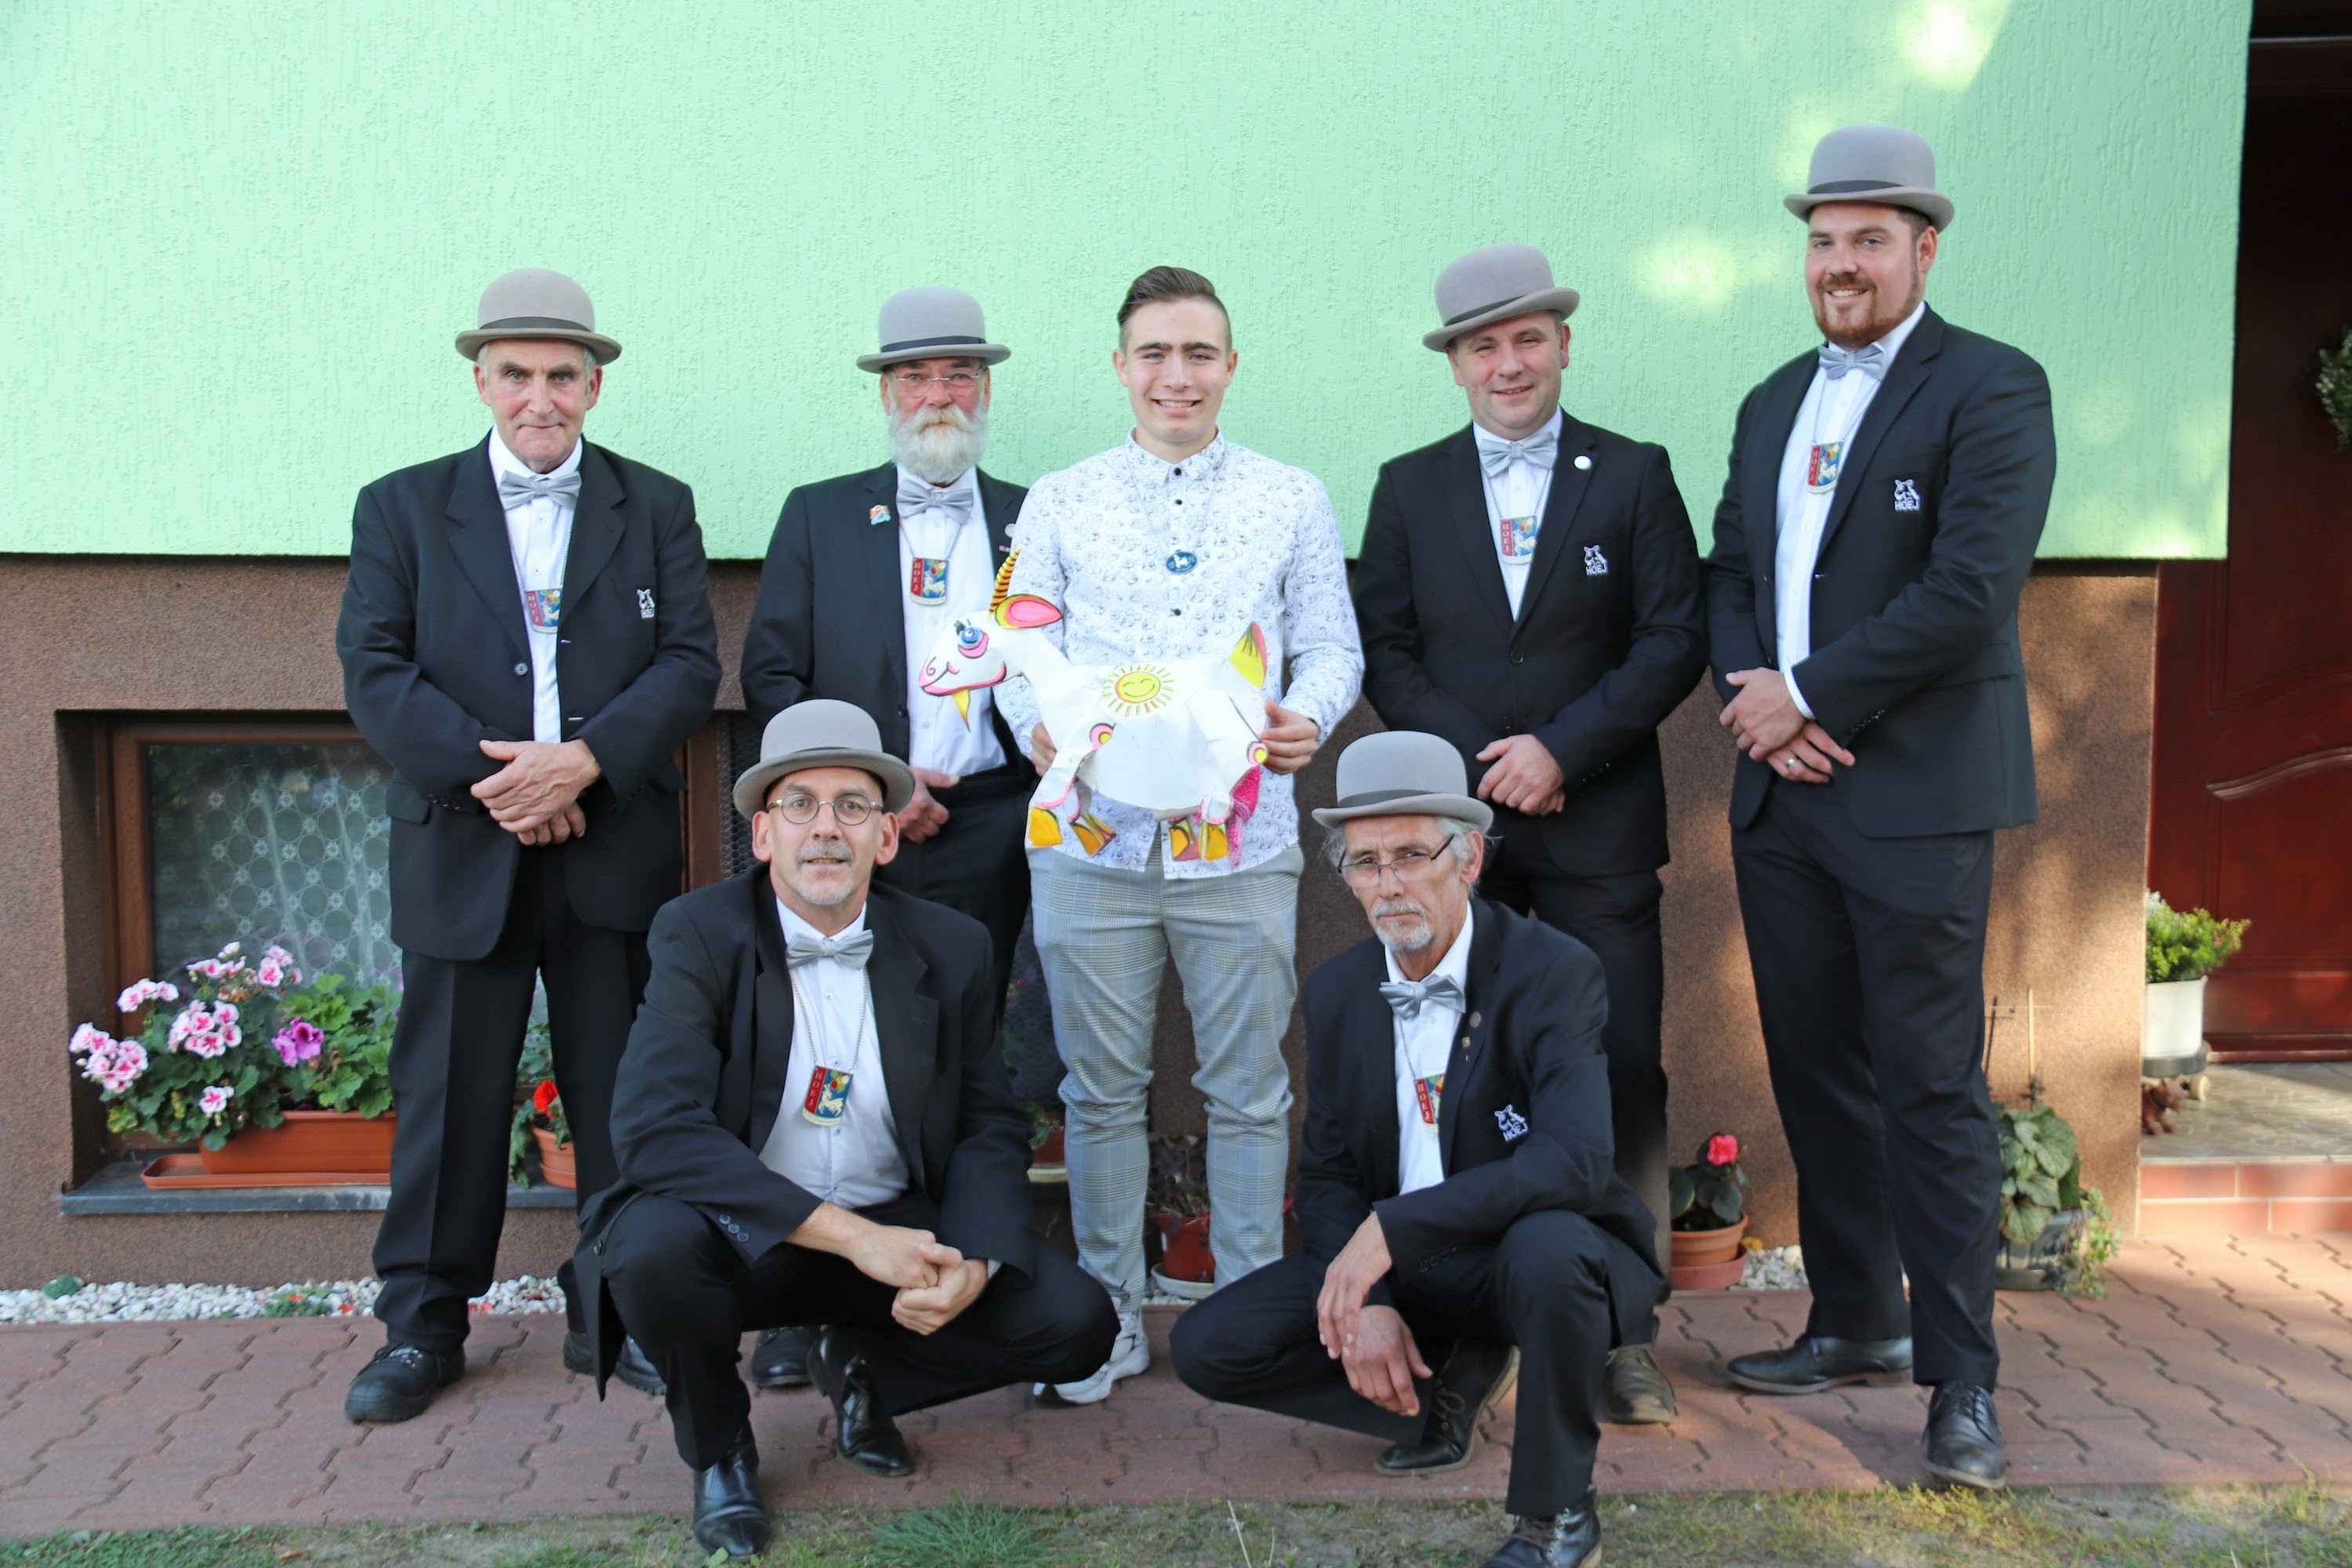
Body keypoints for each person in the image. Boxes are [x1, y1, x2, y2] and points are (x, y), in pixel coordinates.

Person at [1705, 125, 2056, 1490]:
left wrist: (1809, 699)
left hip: (1912, 796)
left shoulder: (1994, 386)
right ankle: (1857, 1317)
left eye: (1868, 239)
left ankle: (1961, 1385)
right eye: (1822, 240)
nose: (1840, 263)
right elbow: (1734, 571)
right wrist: (1757, 702)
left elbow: (1969, 590)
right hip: (1782, 797)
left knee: (1929, 1086)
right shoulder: (1768, 401)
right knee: (1816, 1073)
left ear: (1924, 249)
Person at [572, 700, 1116, 1559]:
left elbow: (986, 1119)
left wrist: (974, 1262)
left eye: (853, 806)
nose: (825, 828)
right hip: (748, 1235)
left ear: (886, 837)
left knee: (1076, 1324)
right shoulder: (699, 934)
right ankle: (720, 1448)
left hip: (894, 1227)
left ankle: (867, 1369)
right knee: (649, 1251)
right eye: (800, 804)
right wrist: (857, 1240)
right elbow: (654, 1128)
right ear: (763, 835)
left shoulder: (954, 945)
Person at [335, 268, 719, 1421]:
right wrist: (507, 782)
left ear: (594, 385)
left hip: (611, 843)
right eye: (516, 374)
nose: (539, 396)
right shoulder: (400, 507)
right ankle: (422, 1323)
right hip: (466, 843)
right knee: (447, 1097)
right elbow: (376, 669)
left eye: (561, 375)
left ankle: (617, 1310)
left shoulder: (656, 505)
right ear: (481, 381)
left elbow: (689, 664)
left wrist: (586, 762)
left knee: (621, 1096)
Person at [1354, 244, 1706, 1424]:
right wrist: (1481, 768)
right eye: (1482, 346)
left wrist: (1561, 750)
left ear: (1563, 344)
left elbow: (1673, 637)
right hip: (1463, 844)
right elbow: (1387, 649)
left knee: (1621, 1069)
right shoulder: (1408, 488)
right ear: (1455, 364)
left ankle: (1626, 1330)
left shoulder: (1636, 474)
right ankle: (1477, 1311)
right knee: (1463, 1068)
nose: (1507, 363)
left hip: (1600, 829)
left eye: (1527, 339)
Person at [996, 265, 1362, 1401]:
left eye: (1199, 353)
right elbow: (1016, 643)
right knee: (1100, 1091)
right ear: (1120, 366)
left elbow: (1330, 644)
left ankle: (1247, 1324)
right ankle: (1105, 1319)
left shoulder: (1291, 497)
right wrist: (1034, 728)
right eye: (1154, 352)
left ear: (1231, 367)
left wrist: (1311, 715)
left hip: (1239, 843)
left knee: (1249, 1088)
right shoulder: (1059, 500)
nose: (1176, 375)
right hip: (1092, 843)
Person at [1171, 731, 1660, 1568]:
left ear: (1469, 859)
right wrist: (1367, 1297)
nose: (1388, 884)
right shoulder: (1337, 990)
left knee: (1551, 1250)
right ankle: (1443, 1390)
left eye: (1409, 855)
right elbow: (1330, 1172)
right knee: (1209, 1345)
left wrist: (1390, 1232)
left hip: (1524, 1254)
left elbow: (1575, 1161)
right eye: (1365, 863)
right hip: (1414, 1271)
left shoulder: (1553, 970)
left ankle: (1558, 1517)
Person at [737, 286, 1033, 1391]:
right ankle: (795, 1291)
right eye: (917, 376)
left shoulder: (1036, 515)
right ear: (886, 393)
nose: (937, 394)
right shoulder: (820, 515)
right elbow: (772, 675)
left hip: (995, 821)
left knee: (955, 1057)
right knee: (820, 1039)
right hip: (850, 821)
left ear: (985, 391)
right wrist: (873, 786)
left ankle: (930, 1277)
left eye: (959, 375)